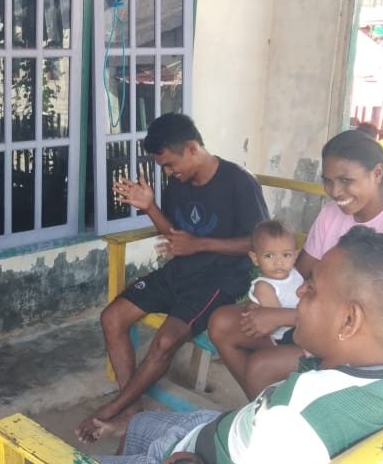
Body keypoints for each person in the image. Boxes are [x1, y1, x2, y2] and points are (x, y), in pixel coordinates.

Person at [92, 226, 383, 464]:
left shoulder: (295, 421)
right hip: (225, 427)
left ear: (349, 321)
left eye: (311, 290)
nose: (299, 291)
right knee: (137, 426)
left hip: (200, 458)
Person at [76, 113, 269, 443]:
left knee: (165, 342)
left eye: (169, 164)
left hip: (219, 281)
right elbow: (175, 235)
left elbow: (259, 243)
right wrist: (150, 207)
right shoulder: (179, 182)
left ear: (192, 148)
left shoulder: (239, 182)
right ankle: (131, 409)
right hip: (179, 271)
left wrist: (200, 245)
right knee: (112, 317)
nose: (167, 172)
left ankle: (114, 408)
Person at [208, 129, 383, 399]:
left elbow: (375, 317)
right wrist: (266, 300)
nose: (335, 192)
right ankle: (269, 403)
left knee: (261, 366)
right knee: (221, 323)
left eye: (346, 180)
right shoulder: (331, 213)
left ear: (377, 173)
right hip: (311, 317)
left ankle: (273, 412)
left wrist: (281, 317)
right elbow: (300, 274)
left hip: (355, 338)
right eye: (328, 181)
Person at [239, 220, 304, 347]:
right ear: (255, 258)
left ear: (295, 256)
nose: (278, 262)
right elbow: (277, 319)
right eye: (269, 256)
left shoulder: (294, 273)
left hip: (301, 325)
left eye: (286, 255)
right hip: (286, 336)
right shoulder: (264, 287)